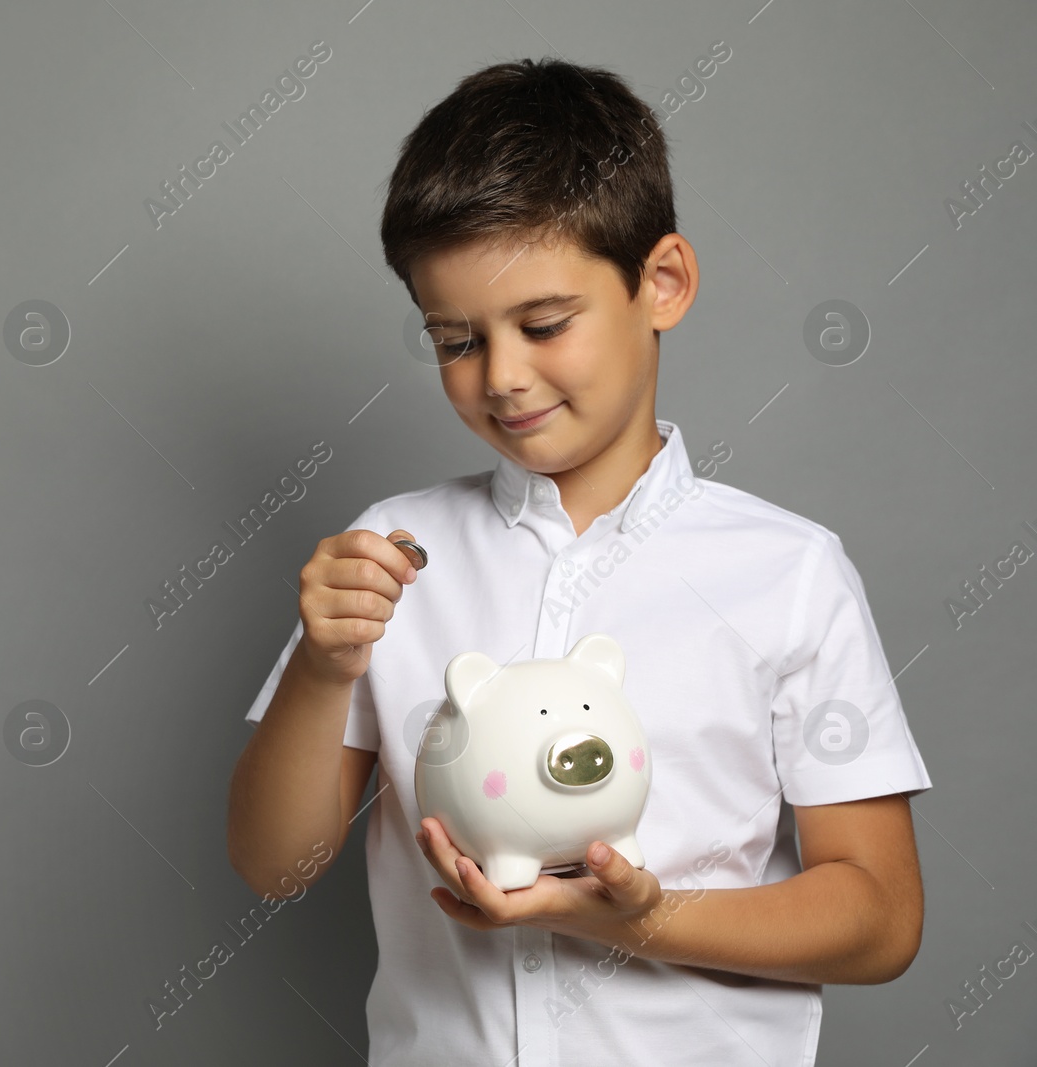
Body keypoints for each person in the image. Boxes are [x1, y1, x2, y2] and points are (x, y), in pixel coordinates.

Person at [226, 56, 932, 1066]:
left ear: (663, 283)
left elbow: (879, 916)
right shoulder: (390, 555)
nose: (502, 377)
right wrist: (320, 666)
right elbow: (275, 865)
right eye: (454, 340)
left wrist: (638, 917)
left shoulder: (788, 573)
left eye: (543, 324)